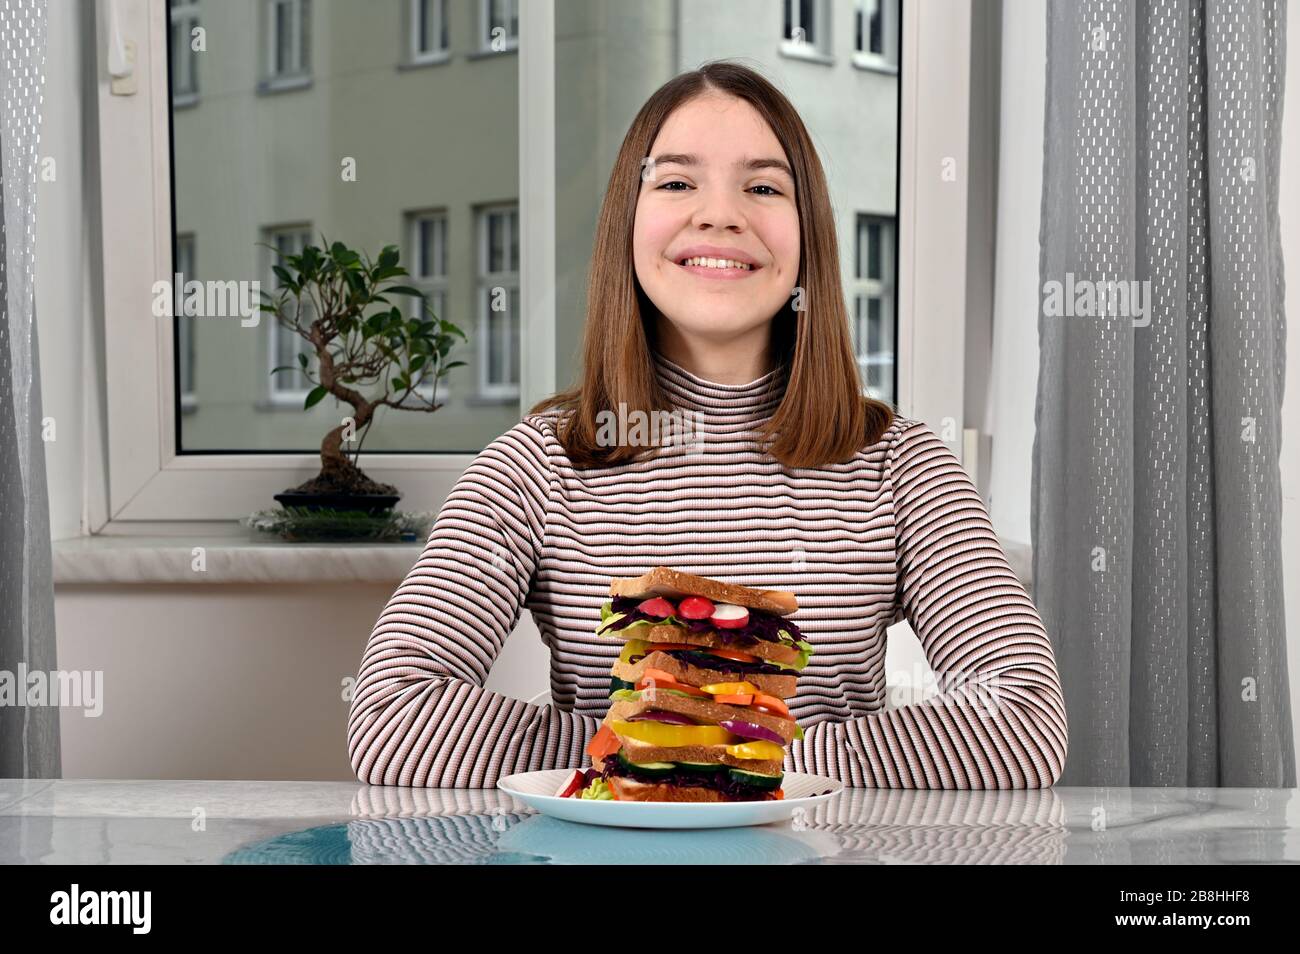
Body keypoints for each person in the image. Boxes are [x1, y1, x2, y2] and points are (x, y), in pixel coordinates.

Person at [347, 61, 1068, 789]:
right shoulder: (537, 465)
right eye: (676, 182)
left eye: (762, 187)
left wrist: (723, 754)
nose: (720, 214)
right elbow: (390, 716)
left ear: (807, 233)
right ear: (626, 224)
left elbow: (1026, 720)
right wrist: (677, 751)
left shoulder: (903, 466)